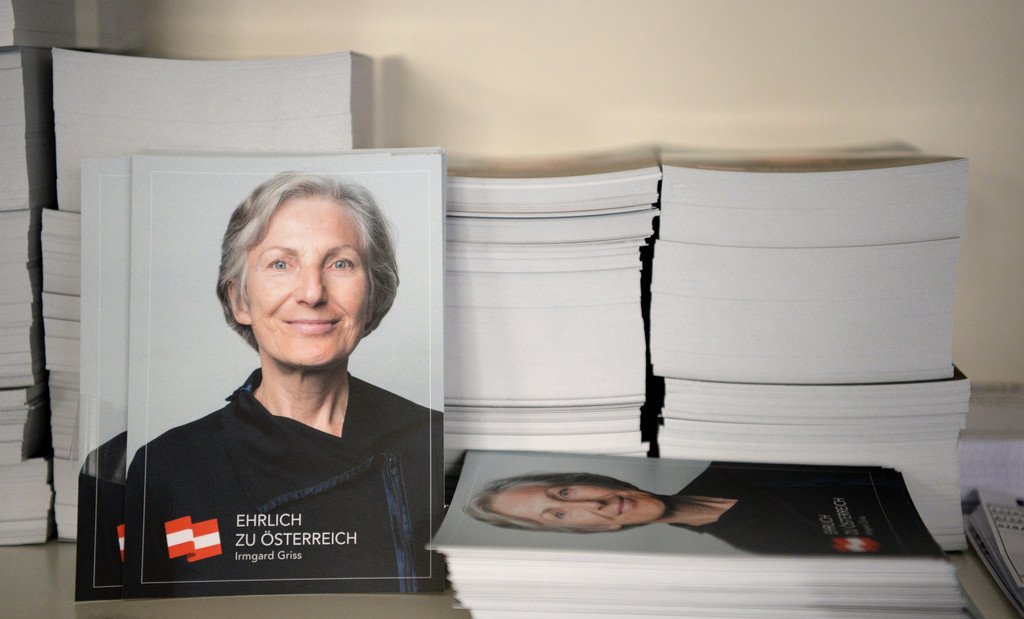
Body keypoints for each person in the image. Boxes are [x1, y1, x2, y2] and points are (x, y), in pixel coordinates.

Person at [122, 173, 443, 596]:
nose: (312, 292)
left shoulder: (432, 444)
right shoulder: (166, 468)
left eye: (340, 263)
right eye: (280, 264)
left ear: (372, 296)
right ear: (239, 300)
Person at [466, 462, 941, 556]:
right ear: (589, 532)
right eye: (560, 515)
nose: (597, 503)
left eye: (564, 493)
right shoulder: (755, 548)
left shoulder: (739, 460)